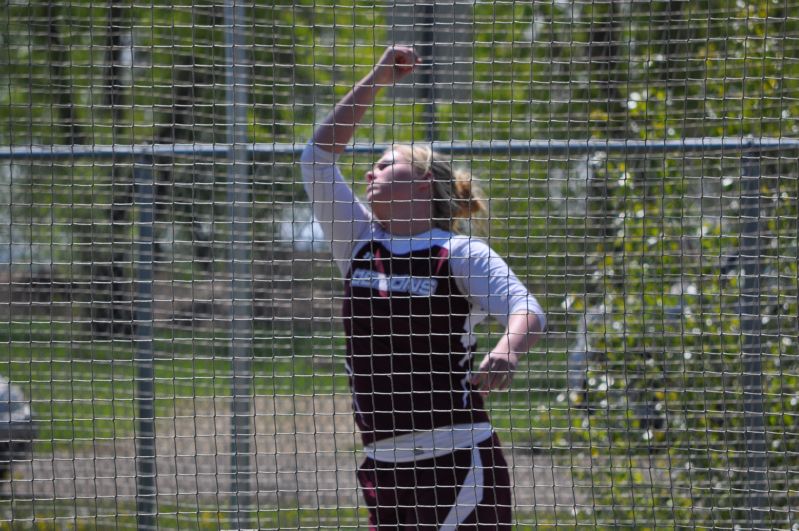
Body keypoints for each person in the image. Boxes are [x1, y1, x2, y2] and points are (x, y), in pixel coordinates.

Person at [300, 45, 546, 530]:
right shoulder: (359, 242)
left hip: (455, 460)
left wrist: (509, 350)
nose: (370, 173)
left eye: (386, 165)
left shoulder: (458, 254)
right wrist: (377, 77)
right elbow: (317, 158)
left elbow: (526, 306)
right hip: (384, 465)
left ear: (420, 185)